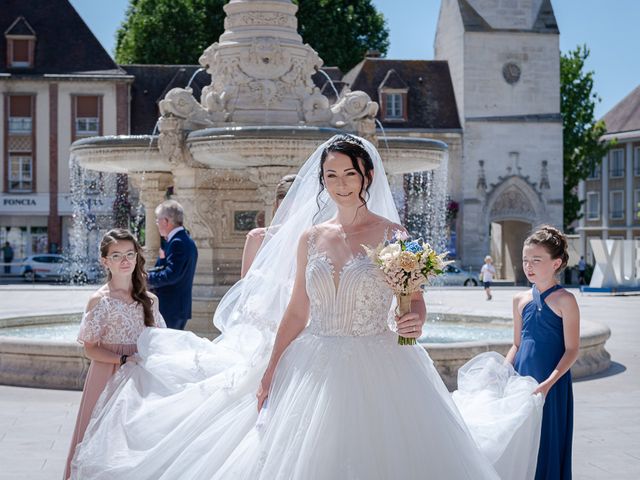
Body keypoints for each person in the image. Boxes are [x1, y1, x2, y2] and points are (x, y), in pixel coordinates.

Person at [71, 135, 543, 480]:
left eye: (349, 174)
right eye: (331, 175)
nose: (340, 184)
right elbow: (297, 310)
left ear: (368, 177)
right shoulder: (310, 237)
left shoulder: (395, 236)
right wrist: (271, 370)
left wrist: (413, 318)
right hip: (312, 360)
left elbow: (414, 306)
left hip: (383, 362)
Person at [64, 229, 166, 479]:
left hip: (141, 377)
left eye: (130, 254)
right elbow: (90, 347)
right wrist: (122, 359)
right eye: (117, 255)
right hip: (107, 374)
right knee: (101, 439)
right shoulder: (99, 300)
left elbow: (159, 339)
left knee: (137, 440)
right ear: (104, 261)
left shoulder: (149, 300)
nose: (125, 261)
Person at [506, 225, 580, 480]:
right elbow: (517, 344)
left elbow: (572, 350)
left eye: (536, 260)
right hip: (521, 380)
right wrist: (504, 371)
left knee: (546, 440)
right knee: (521, 442)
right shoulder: (519, 299)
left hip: (551, 383)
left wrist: (548, 383)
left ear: (556, 263)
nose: (529, 266)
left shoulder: (565, 300)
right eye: (526, 260)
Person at [148, 200, 198, 330]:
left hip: (171, 308)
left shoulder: (178, 243)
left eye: (158, 220)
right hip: (176, 308)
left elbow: (171, 275)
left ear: (166, 221)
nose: (157, 224)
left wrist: (145, 278)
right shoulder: (184, 240)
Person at [241, 174, 297, 277]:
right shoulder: (257, 237)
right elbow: (245, 285)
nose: (290, 215)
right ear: (276, 205)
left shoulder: (314, 240)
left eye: (296, 209)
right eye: (284, 210)